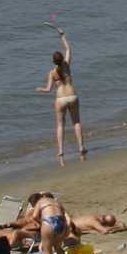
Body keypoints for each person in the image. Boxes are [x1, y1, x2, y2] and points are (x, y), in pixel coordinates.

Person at [38, 26, 86, 164]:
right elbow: (68, 49)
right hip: (72, 96)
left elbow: (48, 90)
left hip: (60, 99)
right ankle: (81, 147)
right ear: (61, 59)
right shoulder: (67, 65)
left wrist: (40, 89)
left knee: (60, 125)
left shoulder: (52, 73)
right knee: (76, 122)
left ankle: (60, 151)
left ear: (53, 62)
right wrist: (62, 35)